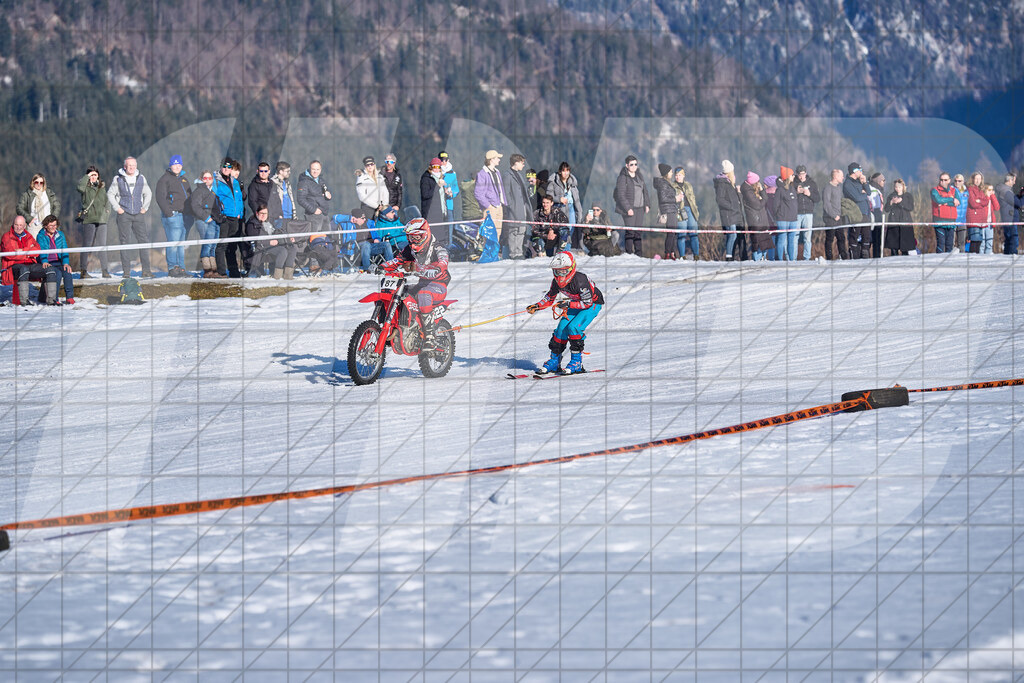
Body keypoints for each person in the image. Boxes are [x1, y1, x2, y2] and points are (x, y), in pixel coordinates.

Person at [526, 251, 604, 375]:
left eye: (564, 271)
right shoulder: (556, 282)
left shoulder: (580, 280)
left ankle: (577, 362)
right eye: (557, 271)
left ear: (571, 269)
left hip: (592, 305)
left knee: (573, 328)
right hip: (576, 303)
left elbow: (587, 303)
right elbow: (550, 297)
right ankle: (554, 361)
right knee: (561, 329)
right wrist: (537, 306)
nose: (560, 274)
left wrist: (568, 304)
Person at [381, 217, 450, 339]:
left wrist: (429, 269)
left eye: (416, 237)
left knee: (423, 294)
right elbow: (398, 260)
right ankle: (400, 326)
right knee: (400, 292)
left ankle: (429, 335)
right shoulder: (410, 249)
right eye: (409, 237)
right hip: (422, 283)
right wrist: (382, 266)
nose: (412, 241)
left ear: (425, 234)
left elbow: (443, 262)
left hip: (438, 285)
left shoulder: (438, 248)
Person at [107, 156, 154, 277]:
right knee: (124, 242)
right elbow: (110, 194)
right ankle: (126, 272)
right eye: (129, 165)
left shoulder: (141, 178)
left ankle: (146, 271)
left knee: (143, 241)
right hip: (124, 215)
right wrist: (118, 208)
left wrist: (145, 208)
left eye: (134, 165)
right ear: (125, 167)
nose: (132, 167)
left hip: (138, 214)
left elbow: (148, 193)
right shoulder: (118, 179)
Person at [1, 215, 58, 305]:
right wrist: (28, 253)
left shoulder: (28, 236)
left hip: (30, 264)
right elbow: (10, 255)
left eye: (21, 225)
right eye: (16, 225)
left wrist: (22, 251)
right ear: (13, 225)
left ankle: (52, 300)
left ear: (24, 226)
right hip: (12, 266)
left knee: (50, 270)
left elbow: (37, 250)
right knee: (24, 269)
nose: (18, 227)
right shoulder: (6, 236)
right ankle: (24, 301)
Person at [155, 154, 194, 277]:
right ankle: (173, 268)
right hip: (173, 215)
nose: (177, 167)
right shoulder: (164, 179)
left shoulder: (184, 179)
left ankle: (181, 268)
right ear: (170, 165)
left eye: (179, 164)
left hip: (185, 216)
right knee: (173, 242)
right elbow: (160, 198)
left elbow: (190, 197)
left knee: (181, 244)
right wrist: (169, 213)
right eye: (174, 164)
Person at [76, 165, 111, 278]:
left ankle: (105, 270)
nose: (93, 177)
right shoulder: (84, 187)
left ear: (98, 176)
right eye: (91, 175)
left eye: (95, 175)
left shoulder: (102, 187)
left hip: (101, 220)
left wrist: (106, 214)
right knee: (87, 245)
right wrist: (87, 177)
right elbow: (80, 188)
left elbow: (106, 201)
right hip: (89, 219)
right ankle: (83, 271)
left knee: (102, 245)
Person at [245, 205, 297, 279]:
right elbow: (254, 240)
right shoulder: (252, 224)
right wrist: (269, 242)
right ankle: (277, 276)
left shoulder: (270, 222)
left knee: (292, 249)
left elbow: (278, 232)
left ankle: (288, 276)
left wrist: (288, 238)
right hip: (261, 248)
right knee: (282, 251)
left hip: (274, 244)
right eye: (261, 213)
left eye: (265, 213)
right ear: (257, 213)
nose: (263, 215)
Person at [213, 158, 245, 277]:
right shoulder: (216, 181)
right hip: (224, 217)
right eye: (224, 167)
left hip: (235, 217)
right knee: (222, 245)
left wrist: (240, 213)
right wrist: (219, 215)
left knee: (232, 246)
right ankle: (221, 272)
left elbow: (239, 199)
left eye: (229, 167)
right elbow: (213, 199)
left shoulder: (234, 181)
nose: (226, 169)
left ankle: (234, 271)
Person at [613, 155, 650, 256]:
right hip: (629, 209)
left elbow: (645, 191)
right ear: (627, 165)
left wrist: (647, 204)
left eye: (635, 164)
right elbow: (621, 195)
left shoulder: (640, 176)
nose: (634, 166)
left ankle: (639, 254)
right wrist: (628, 208)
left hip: (640, 208)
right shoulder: (622, 178)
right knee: (630, 232)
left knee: (638, 232)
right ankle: (629, 253)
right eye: (632, 164)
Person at [189, 170, 223, 278]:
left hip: (214, 220)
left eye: (210, 178)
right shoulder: (199, 190)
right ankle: (207, 270)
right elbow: (195, 206)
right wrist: (206, 217)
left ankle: (213, 269)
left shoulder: (212, 191)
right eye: (205, 178)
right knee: (207, 244)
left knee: (213, 245)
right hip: (204, 220)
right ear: (201, 179)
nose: (207, 180)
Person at [35, 215, 75, 303]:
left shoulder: (60, 235)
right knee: (57, 273)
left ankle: (69, 297)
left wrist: (66, 263)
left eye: (55, 225)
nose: (53, 228)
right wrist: (44, 261)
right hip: (47, 262)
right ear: (45, 226)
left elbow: (64, 249)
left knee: (67, 271)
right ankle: (54, 298)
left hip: (58, 261)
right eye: (51, 226)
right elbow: (42, 249)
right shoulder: (41, 236)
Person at [547, 162, 583, 251]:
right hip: (559, 209)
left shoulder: (572, 184)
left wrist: (579, 214)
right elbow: (548, 197)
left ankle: (567, 251)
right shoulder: (553, 182)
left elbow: (577, 201)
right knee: (563, 232)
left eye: (568, 171)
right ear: (560, 171)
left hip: (571, 209)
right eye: (563, 171)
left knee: (570, 231)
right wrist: (559, 199)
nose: (566, 173)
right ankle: (562, 252)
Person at [503, 153, 532, 259]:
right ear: (516, 162)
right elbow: (506, 193)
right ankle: (513, 253)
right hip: (514, 208)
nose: (523, 165)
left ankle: (519, 252)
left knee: (521, 230)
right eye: (522, 163)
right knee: (513, 230)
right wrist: (511, 205)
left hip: (522, 206)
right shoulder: (507, 175)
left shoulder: (519, 174)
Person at [475, 150, 507, 244]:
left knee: (498, 232)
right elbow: (478, 193)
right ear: (491, 159)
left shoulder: (497, 172)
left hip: (499, 206)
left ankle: (494, 254)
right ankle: (489, 256)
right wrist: (488, 205)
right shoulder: (482, 174)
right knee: (489, 233)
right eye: (497, 158)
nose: (499, 160)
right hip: (490, 207)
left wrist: (502, 203)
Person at [714, 160, 743, 261]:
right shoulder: (722, 183)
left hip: (732, 214)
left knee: (732, 235)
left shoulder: (729, 182)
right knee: (732, 235)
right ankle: (729, 256)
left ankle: (729, 256)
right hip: (727, 214)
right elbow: (719, 199)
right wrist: (731, 206)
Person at [17, 174, 61, 239]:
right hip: (34, 225)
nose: (39, 184)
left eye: (41, 182)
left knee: (50, 246)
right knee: (35, 247)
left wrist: (52, 220)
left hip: (49, 225)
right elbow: (19, 208)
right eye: (36, 182)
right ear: (33, 182)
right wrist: (29, 218)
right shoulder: (27, 194)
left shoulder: (49, 193)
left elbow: (57, 206)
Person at [741, 172, 772, 261]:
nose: (759, 184)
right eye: (757, 182)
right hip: (755, 220)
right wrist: (763, 196)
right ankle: (757, 261)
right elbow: (758, 205)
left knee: (765, 242)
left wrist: (762, 192)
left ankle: (763, 258)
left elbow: (763, 202)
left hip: (761, 219)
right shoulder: (747, 192)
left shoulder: (752, 190)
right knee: (757, 243)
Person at [843, 163, 871, 258]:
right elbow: (857, 197)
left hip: (865, 213)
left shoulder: (859, 181)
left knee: (866, 236)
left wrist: (865, 183)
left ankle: (865, 255)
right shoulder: (847, 184)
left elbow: (869, 193)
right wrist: (864, 194)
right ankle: (854, 256)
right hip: (855, 214)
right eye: (860, 170)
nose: (862, 172)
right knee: (854, 236)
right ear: (854, 171)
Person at [297, 159, 333, 233]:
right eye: (313, 169)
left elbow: (323, 194)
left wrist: (328, 195)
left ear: (320, 169)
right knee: (315, 240)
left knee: (327, 240)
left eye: (317, 169)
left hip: (324, 214)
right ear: (309, 169)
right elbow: (300, 199)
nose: (315, 171)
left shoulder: (321, 180)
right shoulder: (304, 182)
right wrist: (314, 210)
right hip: (313, 216)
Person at [673, 167, 700, 260]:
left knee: (694, 234)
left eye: (679, 175)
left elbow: (693, 198)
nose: (677, 177)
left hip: (691, 210)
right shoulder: (672, 186)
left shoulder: (688, 185)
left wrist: (696, 210)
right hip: (680, 211)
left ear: (683, 176)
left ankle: (696, 255)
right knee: (681, 234)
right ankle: (682, 256)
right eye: (676, 175)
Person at [653, 164, 679, 259]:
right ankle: (668, 253)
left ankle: (672, 252)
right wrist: (675, 198)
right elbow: (663, 198)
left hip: (672, 209)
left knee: (673, 233)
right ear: (666, 173)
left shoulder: (666, 183)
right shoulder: (663, 184)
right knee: (671, 233)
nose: (672, 173)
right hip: (668, 210)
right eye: (671, 171)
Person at [884, 178, 916, 256]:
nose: (897, 189)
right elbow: (886, 209)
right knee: (893, 247)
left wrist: (901, 202)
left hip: (905, 223)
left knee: (905, 246)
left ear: (903, 187)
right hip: (893, 224)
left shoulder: (908, 196)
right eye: (896, 187)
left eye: (899, 187)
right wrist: (891, 202)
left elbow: (910, 207)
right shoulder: (891, 196)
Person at [794, 165, 819, 260]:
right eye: (799, 174)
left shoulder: (812, 183)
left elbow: (817, 198)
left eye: (803, 174)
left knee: (807, 237)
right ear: (797, 174)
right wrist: (796, 192)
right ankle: (793, 257)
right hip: (796, 213)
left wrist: (809, 194)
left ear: (806, 173)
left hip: (808, 213)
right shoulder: (793, 184)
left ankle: (807, 257)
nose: (801, 176)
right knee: (795, 236)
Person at [420, 157, 450, 237]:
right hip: (431, 213)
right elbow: (425, 194)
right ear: (431, 167)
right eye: (434, 167)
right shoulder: (426, 178)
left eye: (438, 167)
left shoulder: (440, 178)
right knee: (433, 236)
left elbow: (440, 196)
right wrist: (437, 186)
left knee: (442, 235)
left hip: (441, 211)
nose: (436, 169)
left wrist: (446, 192)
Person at [822, 169, 848, 260]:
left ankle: (843, 256)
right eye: (841, 176)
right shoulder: (828, 188)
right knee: (830, 239)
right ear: (836, 177)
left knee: (841, 238)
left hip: (839, 218)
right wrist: (834, 215)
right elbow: (826, 204)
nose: (843, 178)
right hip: (830, 218)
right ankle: (829, 258)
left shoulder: (838, 188)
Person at [930, 171, 959, 254]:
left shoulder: (954, 191)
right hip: (939, 221)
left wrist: (944, 203)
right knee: (941, 243)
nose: (943, 182)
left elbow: (958, 202)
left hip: (951, 221)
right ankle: (939, 262)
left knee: (950, 244)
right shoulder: (934, 190)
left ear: (949, 180)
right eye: (941, 180)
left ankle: (949, 263)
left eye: (945, 180)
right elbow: (938, 199)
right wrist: (952, 200)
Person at [966, 172, 994, 254]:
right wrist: (980, 202)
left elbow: (986, 201)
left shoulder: (982, 190)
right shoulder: (970, 189)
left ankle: (976, 258)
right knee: (975, 239)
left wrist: (979, 201)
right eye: (976, 178)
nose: (978, 180)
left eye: (979, 178)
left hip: (982, 219)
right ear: (973, 179)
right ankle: (972, 257)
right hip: (973, 218)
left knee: (979, 241)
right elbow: (973, 203)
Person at [356, 155, 389, 220]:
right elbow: (362, 196)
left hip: (382, 208)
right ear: (365, 166)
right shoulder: (361, 178)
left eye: (371, 164)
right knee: (370, 228)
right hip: (368, 209)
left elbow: (385, 192)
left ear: (374, 165)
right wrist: (376, 206)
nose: (370, 166)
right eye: (367, 165)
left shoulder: (380, 176)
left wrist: (384, 205)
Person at [268, 161, 295, 228]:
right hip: (280, 217)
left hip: (290, 215)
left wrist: (294, 213)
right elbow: (272, 201)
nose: (289, 173)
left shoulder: (287, 183)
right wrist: (277, 214)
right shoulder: (272, 183)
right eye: (287, 171)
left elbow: (291, 198)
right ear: (280, 171)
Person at [995, 173, 1017, 255]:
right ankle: (1011, 256)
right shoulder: (1006, 191)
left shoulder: (1006, 190)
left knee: (1009, 240)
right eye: (1013, 180)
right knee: (1013, 240)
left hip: (1008, 218)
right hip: (1009, 219)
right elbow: (1016, 203)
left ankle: (1007, 256)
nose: (1014, 183)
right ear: (1009, 180)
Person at [438, 151, 461, 224]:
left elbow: (456, 189)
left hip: (449, 205)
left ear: (448, 160)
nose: (443, 162)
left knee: (449, 228)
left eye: (445, 160)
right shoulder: (436, 172)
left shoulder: (452, 174)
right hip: (438, 206)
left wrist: (451, 193)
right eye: (441, 160)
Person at [867, 172, 886, 257]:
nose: (884, 182)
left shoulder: (879, 189)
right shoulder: (871, 189)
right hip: (873, 214)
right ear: (878, 181)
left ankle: (877, 255)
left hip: (879, 214)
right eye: (883, 180)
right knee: (873, 238)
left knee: (879, 238)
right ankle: (871, 256)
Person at [382, 153, 403, 217]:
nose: (388, 163)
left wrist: (398, 205)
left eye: (390, 161)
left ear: (394, 163)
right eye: (387, 161)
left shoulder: (398, 176)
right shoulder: (380, 174)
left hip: (393, 207)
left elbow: (400, 192)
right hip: (383, 207)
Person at [952, 174, 969, 251]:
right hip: (953, 220)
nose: (957, 182)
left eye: (959, 181)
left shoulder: (967, 191)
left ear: (963, 182)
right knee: (951, 243)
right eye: (955, 181)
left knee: (962, 243)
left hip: (963, 220)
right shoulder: (951, 190)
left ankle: (962, 259)